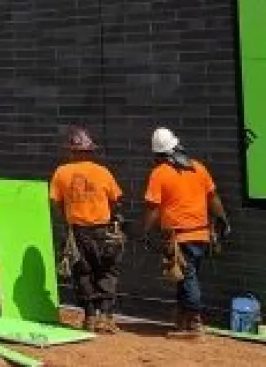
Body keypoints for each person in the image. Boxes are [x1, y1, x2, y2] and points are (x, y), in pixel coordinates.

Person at [140, 127, 230, 338]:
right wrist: (223, 219)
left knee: (188, 277)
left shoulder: (159, 173)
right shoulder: (198, 168)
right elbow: (213, 197)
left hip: (179, 237)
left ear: (158, 154)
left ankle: (195, 322)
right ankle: (183, 319)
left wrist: (145, 231)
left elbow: (153, 207)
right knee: (186, 276)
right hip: (201, 235)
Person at [48, 126, 125, 333]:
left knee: (83, 272)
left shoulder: (61, 172)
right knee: (107, 271)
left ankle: (90, 317)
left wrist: (66, 225)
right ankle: (105, 317)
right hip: (103, 230)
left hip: (77, 231)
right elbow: (116, 200)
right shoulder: (103, 172)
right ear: (90, 151)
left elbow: (55, 202)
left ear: (72, 151)